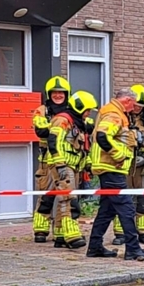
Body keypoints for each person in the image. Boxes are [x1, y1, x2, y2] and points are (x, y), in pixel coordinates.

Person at [86, 88, 144, 261]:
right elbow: (102, 136)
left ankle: (94, 247)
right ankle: (133, 249)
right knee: (127, 208)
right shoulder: (115, 115)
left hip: (108, 168)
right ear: (127, 100)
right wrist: (118, 155)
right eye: (134, 104)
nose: (134, 108)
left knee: (107, 210)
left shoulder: (112, 111)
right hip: (112, 168)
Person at [46, 91, 98, 249]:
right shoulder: (62, 120)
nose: (88, 114)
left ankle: (61, 235)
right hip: (63, 164)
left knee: (65, 198)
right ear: (79, 107)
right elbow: (53, 141)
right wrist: (60, 164)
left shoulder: (77, 123)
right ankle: (72, 236)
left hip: (74, 165)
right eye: (87, 110)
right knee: (69, 200)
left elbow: (83, 147)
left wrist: (88, 163)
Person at [113, 84, 144, 247]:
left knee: (143, 199)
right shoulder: (120, 118)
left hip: (142, 166)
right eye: (135, 105)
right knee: (124, 198)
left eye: (140, 106)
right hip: (123, 164)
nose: (137, 108)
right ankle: (121, 233)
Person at [32, 76, 72, 243]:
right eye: (55, 93)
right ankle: (40, 230)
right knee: (46, 196)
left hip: (66, 160)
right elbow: (40, 130)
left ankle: (61, 231)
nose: (58, 95)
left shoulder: (72, 111)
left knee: (66, 197)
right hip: (47, 161)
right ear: (49, 94)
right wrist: (59, 125)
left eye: (61, 93)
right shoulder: (42, 110)